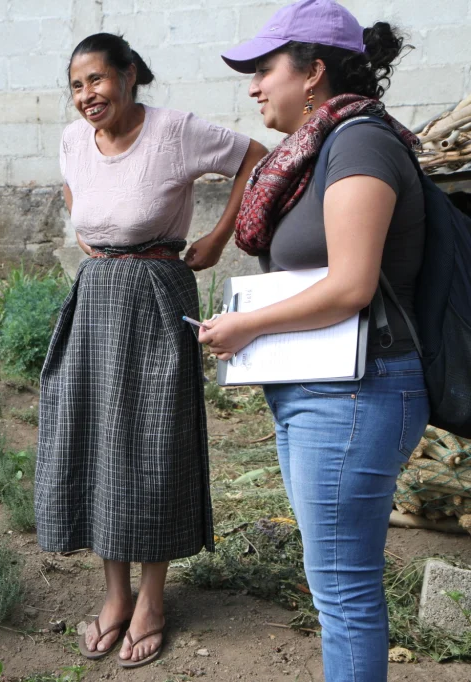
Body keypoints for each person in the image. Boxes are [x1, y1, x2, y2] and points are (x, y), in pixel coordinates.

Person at [199, 2, 430, 680]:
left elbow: (352, 286)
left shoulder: (359, 143)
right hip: (317, 391)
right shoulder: (315, 152)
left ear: (315, 71)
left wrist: (247, 326)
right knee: (336, 585)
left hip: (357, 393)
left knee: (344, 591)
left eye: (264, 69)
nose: (252, 86)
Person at [35, 32, 266, 668]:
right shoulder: (72, 138)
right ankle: (113, 595)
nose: (87, 96)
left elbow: (256, 157)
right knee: (97, 437)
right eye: (77, 85)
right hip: (96, 296)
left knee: (151, 439)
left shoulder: (175, 131)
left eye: (98, 81)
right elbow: (73, 191)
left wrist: (219, 237)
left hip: (158, 294)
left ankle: (153, 600)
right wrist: (91, 230)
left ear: (130, 75)